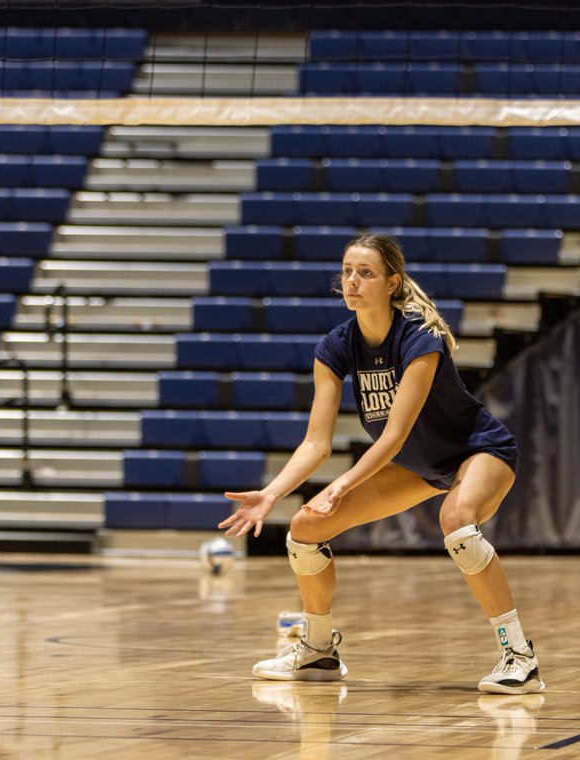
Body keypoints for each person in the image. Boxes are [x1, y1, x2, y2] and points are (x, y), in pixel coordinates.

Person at [218, 233, 543, 695]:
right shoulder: (335, 347)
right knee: (306, 527)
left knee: (456, 521)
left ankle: (520, 657)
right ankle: (318, 650)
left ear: (392, 282)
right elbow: (316, 443)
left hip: (477, 450)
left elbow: (394, 435)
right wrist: (272, 494)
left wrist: (344, 484)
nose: (352, 281)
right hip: (420, 465)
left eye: (365, 273)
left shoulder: (419, 339)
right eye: (347, 272)